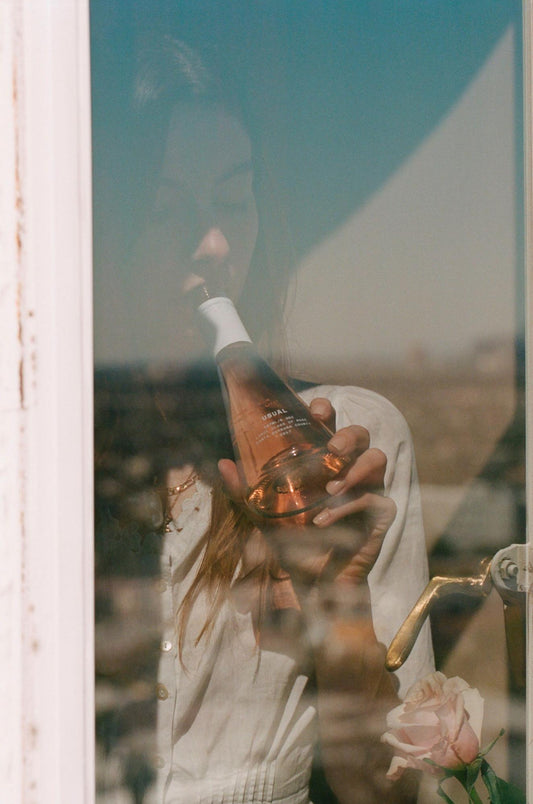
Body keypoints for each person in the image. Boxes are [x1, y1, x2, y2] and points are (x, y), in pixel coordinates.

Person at [96, 36, 434, 804]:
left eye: (231, 200)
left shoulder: (347, 446)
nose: (213, 245)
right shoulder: (38, 456)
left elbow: (388, 794)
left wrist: (342, 619)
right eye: (162, 208)